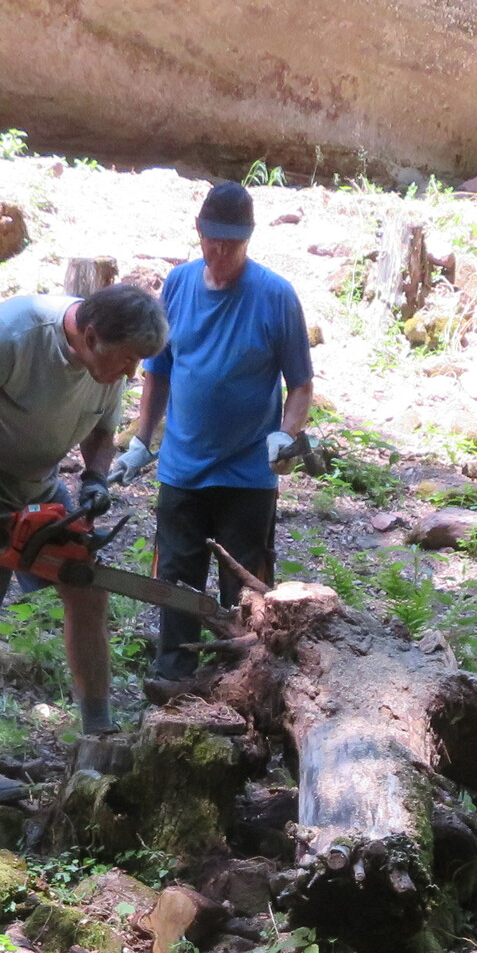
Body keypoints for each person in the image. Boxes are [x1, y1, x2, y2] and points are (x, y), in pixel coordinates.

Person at [0, 282, 170, 800]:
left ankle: (98, 733)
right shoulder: (14, 335)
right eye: (126, 360)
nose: (131, 373)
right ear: (90, 337)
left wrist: (94, 479)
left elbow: (101, 431)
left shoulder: (108, 364)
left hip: (38, 481)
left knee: (87, 587)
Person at [114, 180, 315, 685]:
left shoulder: (276, 296)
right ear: (199, 233)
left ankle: (241, 680)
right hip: (182, 468)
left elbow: (301, 385)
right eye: (212, 241)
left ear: (248, 240)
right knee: (175, 580)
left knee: (245, 590)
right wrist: (142, 440)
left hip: (247, 474)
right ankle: (174, 674)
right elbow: (157, 369)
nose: (220, 253)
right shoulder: (178, 285)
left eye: (232, 244)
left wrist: (285, 435)